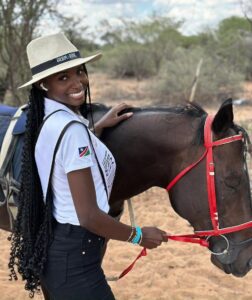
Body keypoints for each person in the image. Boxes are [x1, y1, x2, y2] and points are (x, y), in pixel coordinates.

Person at [9, 32, 167, 300]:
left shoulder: (48, 117)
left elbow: (64, 154)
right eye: (63, 78)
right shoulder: (71, 130)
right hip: (76, 262)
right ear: (44, 85)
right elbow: (89, 216)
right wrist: (139, 235)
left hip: (57, 251)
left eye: (79, 72)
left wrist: (98, 128)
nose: (77, 82)